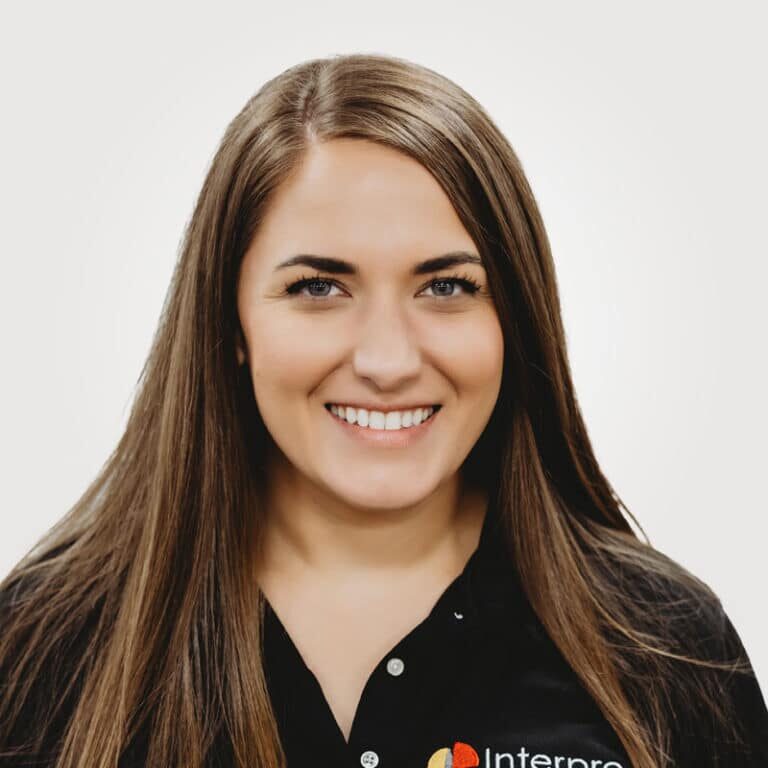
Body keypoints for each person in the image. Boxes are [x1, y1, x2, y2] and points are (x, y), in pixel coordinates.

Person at [0, 53, 766, 768]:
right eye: (318, 288)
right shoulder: (39, 646)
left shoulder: (669, 645)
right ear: (229, 323)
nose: (388, 361)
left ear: (515, 317)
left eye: (446, 287)